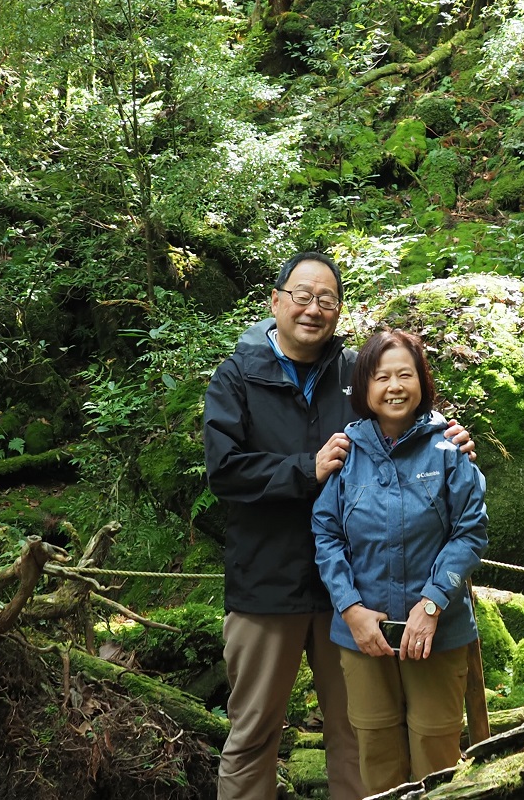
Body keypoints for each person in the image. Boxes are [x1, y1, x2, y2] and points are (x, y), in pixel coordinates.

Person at [203, 252, 474, 800]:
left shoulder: (352, 376)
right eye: (301, 296)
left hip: (350, 593)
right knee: (254, 732)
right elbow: (224, 471)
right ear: (275, 302)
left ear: (339, 310)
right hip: (266, 582)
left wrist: (450, 437)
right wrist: (307, 468)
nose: (312, 309)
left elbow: (402, 417)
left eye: (326, 299)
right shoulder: (236, 376)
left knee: (356, 731)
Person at [313, 328, 488, 795]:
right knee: (377, 751)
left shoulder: (449, 449)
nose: (394, 386)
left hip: (439, 632)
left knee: (437, 754)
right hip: (362, 635)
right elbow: (326, 534)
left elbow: (470, 531)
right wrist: (351, 610)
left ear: (421, 381)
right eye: (381, 376)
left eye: (404, 374)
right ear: (365, 388)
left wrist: (430, 606)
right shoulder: (347, 453)